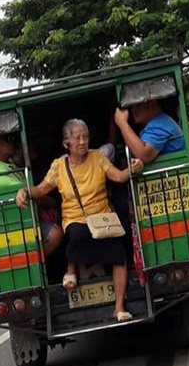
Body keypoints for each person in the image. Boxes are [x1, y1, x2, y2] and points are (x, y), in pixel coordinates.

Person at [15, 119, 143, 323]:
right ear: (67, 143)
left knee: (119, 253)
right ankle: (71, 270)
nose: (83, 142)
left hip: (102, 217)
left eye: (86, 137)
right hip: (75, 218)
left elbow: (118, 177)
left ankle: (119, 308)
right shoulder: (59, 166)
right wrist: (24, 192)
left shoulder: (98, 157)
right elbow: (41, 189)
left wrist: (132, 169)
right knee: (76, 234)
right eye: (78, 138)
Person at [0, 132, 64, 258]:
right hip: (11, 228)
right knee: (55, 234)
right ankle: (35, 267)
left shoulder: (7, 166)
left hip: (22, 221)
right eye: (6, 139)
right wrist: (50, 201)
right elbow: (30, 195)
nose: (11, 141)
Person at [114, 100, 186, 163]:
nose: (133, 110)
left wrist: (122, 124)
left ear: (151, 104)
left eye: (137, 105)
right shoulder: (159, 122)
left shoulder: (160, 124)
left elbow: (144, 155)